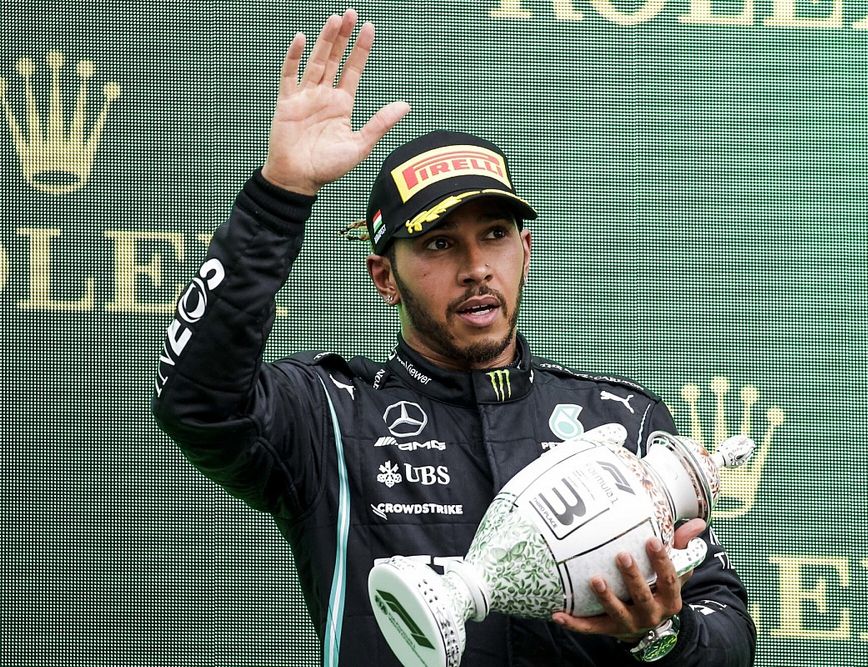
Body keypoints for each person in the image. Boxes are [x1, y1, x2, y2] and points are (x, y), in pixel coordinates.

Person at [152, 10, 755, 666]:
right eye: (439, 243)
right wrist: (279, 197)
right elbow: (195, 400)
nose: (476, 267)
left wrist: (663, 633)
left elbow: (727, 633)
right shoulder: (329, 411)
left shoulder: (626, 419)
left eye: (494, 235)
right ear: (383, 276)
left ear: (527, 250)